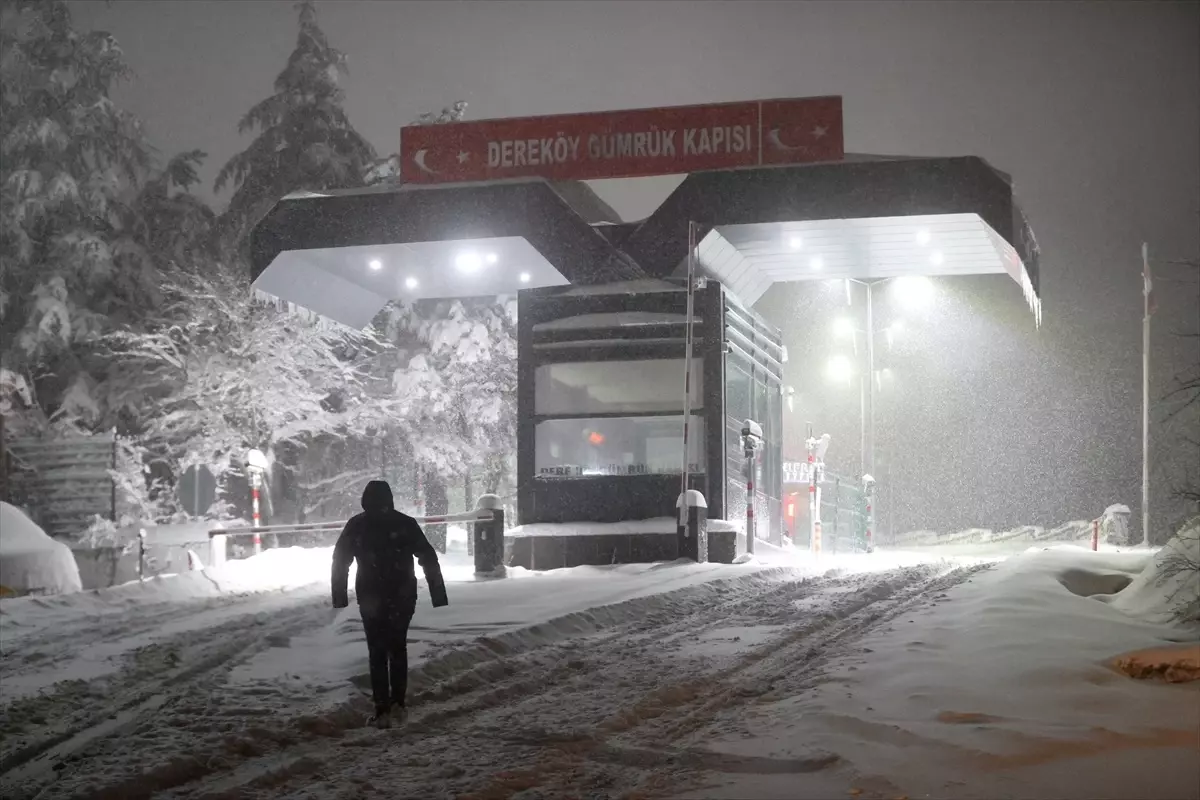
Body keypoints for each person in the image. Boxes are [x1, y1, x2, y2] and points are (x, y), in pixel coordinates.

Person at [332, 480, 448, 728]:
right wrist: (438, 593)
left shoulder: (357, 525)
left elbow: (340, 560)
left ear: (365, 500)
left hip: (371, 596)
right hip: (402, 594)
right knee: (397, 647)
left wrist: (339, 595)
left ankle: (381, 706)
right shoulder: (405, 524)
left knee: (376, 651)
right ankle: (398, 702)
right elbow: (428, 556)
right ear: (390, 499)